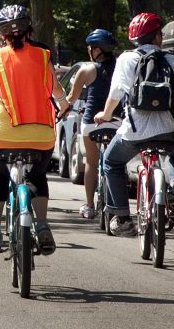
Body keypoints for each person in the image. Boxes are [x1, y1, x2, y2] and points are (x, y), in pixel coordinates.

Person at [0, 5, 69, 254]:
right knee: (38, 177)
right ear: (29, 28)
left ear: (1, 34)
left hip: (3, 134)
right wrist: (64, 106)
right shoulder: (43, 55)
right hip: (41, 134)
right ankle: (41, 224)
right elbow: (56, 90)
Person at [95, 13, 174, 236]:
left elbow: (115, 94)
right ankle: (173, 188)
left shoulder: (126, 59)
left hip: (134, 132)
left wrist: (105, 115)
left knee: (110, 163)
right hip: (167, 131)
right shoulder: (173, 60)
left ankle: (123, 217)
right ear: (156, 36)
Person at [61, 28, 124, 219]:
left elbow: (71, 98)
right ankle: (116, 202)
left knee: (91, 161)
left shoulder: (86, 70)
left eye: (90, 47)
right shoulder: (121, 67)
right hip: (116, 121)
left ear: (96, 50)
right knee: (116, 162)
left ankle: (89, 205)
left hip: (91, 124)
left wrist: (63, 109)